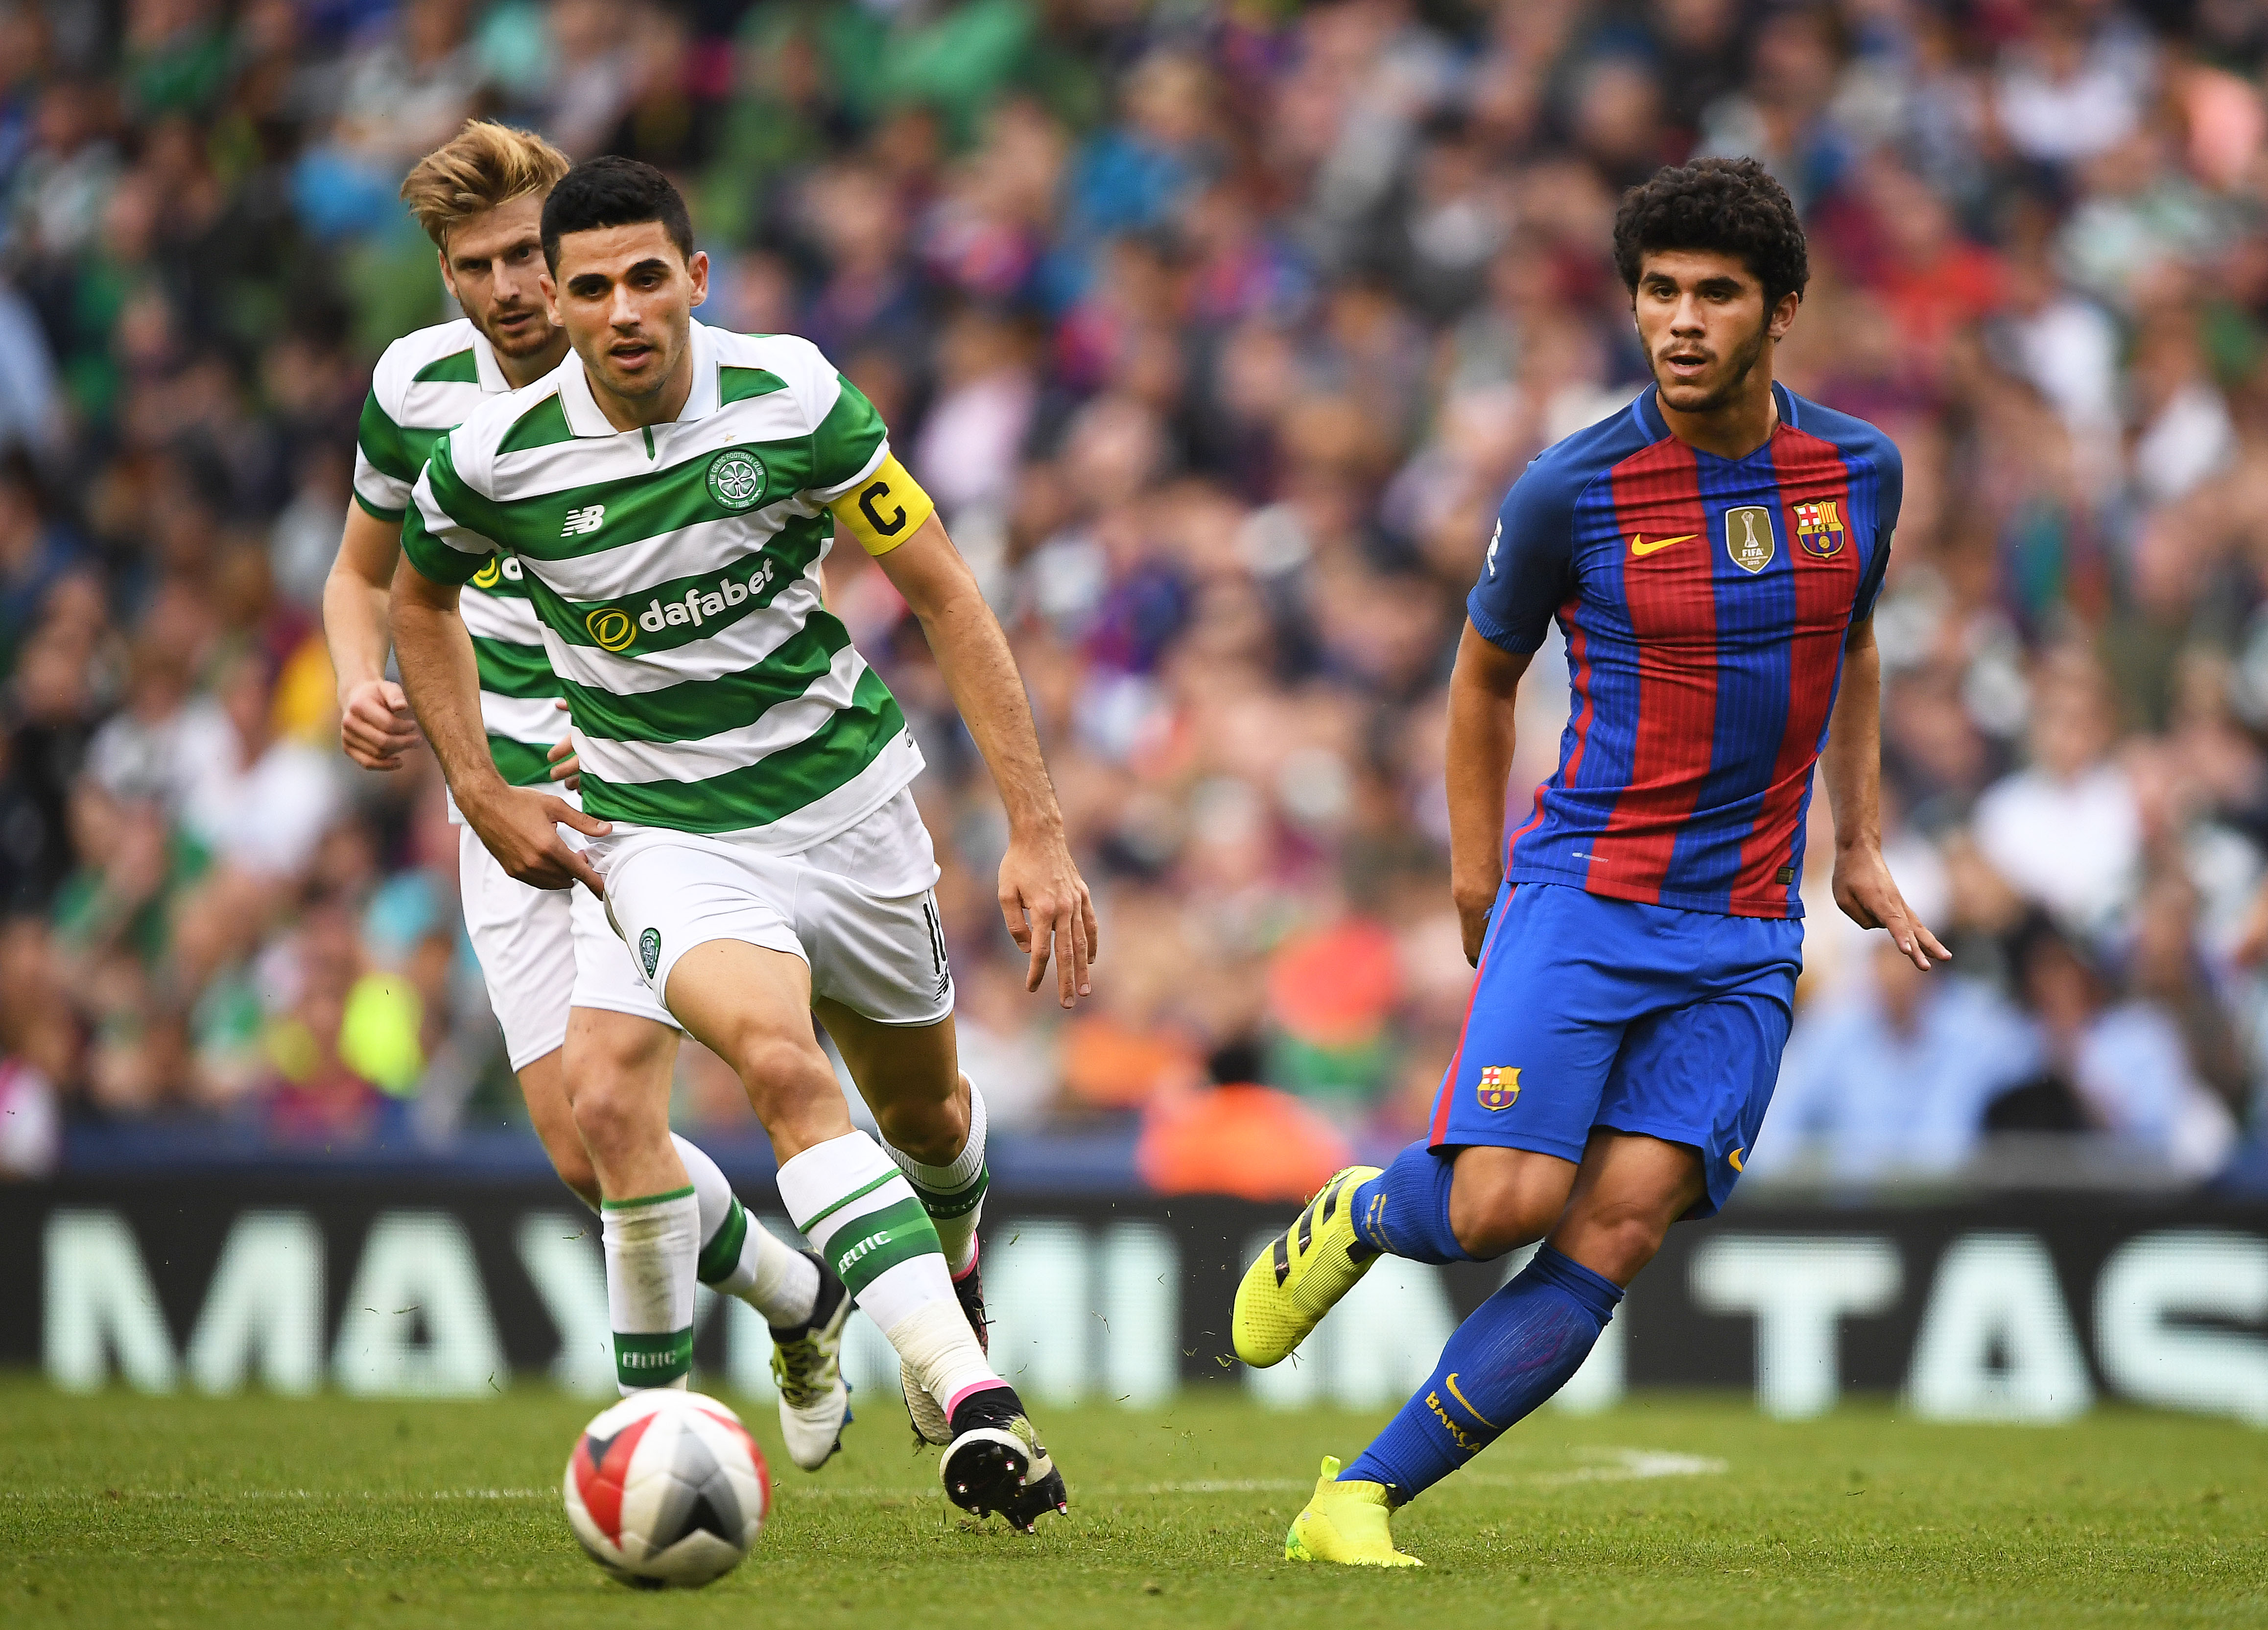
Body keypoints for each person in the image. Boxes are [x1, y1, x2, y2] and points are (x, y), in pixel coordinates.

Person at [1231, 157, 1948, 1566]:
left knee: (1617, 1226)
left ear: (1782, 311)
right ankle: (1371, 1206)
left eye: (1716, 295)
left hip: (1744, 929)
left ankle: (1355, 1497)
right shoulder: (1574, 488)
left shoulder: (1861, 472)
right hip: (1586, 891)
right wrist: (1472, 867)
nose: (1682, 321)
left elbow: (1853, 643)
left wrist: (1855, 842)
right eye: (1659, 293)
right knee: (1505, 1201)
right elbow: (1479, 680)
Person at [389, 156, 1098, 1531]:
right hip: (662, 832)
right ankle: (973, 1396)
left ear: (695, 280)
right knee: (777, 1065)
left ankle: (948, 1268)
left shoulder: (794, 399)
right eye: (587, 287)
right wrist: (478, 788)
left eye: (646, 277)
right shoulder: (494, 459)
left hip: (848, 806)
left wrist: (1037, 828)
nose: (619, 309)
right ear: (558, 299)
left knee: (933, 1123)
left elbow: (945, 593)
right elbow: (415, 604)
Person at [321, 123, 854, 1471]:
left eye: (523, 257)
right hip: (492, 795)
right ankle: (801, 1296)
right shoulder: (417, 388)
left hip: (635, 786)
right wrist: (354, 681)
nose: (507, 289)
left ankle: (651, 1435)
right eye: (473, 266)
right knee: (578, 1143)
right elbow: (366, 575)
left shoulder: (640, 362)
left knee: (620, 1112)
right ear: (442, 277)